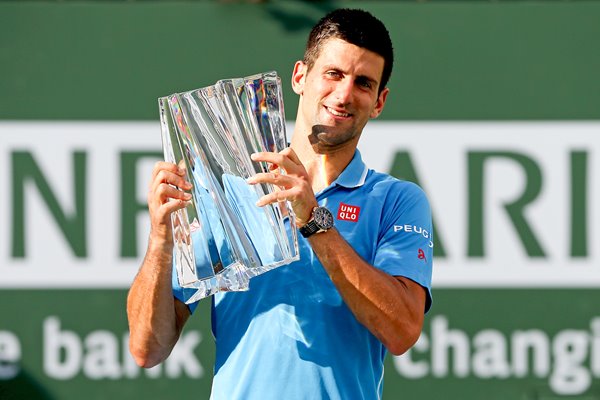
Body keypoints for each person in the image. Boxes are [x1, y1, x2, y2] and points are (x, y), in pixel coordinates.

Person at [127, 8, 433, 400]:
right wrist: (159, 242)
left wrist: (314, 221)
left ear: (379, 101)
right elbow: (147, 347)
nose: (344, 94)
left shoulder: (397, 200)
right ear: (300, 77)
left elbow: (402, 330)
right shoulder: (235, 192)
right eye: (333, 74)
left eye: (363, 83)